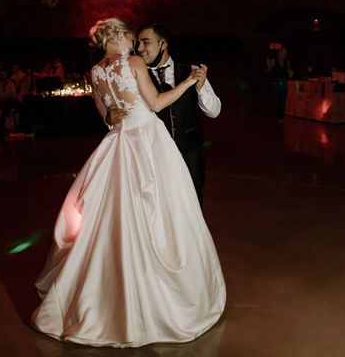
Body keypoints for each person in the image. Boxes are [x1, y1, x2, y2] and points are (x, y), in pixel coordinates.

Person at [31, 18, 226, 348]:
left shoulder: (95, 72)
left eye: (141, 41)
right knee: (164, 213)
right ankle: (162, 295)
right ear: (118, 36)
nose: (135, 45)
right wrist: (188, 82)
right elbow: (156, 103)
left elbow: (103, 112)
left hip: (119, 145)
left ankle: (105, 297)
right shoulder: (133, 62)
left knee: (115, 218)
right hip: (149, 143)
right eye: (131, 38)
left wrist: (112, 116)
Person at [110, 22, 220, 209]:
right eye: (138, 43)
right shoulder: (133, 76)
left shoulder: (191, 71)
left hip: (189, 154)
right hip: (153, 157)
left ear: (163, 44)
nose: (140, 49)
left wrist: (200, 89)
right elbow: (124, 115)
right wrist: (110, 117)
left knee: (192, 206)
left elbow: (214, 111)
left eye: (146, 42)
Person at [265, 46, 294, 123]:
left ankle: (280, 118)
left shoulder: (286, 62)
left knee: (282, 101)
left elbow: (289, 72)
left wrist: (291, 72)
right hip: (275, 84)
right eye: (283, 53)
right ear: (279, 52)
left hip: (283, 84)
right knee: (276, 101)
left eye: (286, 53)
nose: (284, 55)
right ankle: (276, 117)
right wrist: (269, 66)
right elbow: (269, 72)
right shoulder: (274, 60)